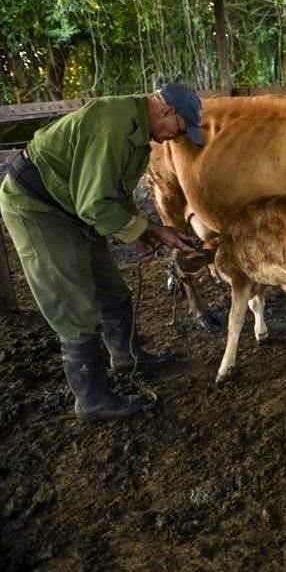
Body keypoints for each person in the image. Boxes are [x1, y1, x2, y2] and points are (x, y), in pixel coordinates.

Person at [0, 83, 204, 421]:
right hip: (39, 206)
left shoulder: (139, 134)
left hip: (74, 204)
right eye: (179, 129)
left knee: (110, 286)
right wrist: (152, 229)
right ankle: (91, 400)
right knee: (73, 303)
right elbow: (95, 203)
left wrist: (135, 230)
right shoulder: (114, 124)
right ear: (167, 111)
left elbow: (113, 193)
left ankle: (126, 356)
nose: (174, 138)